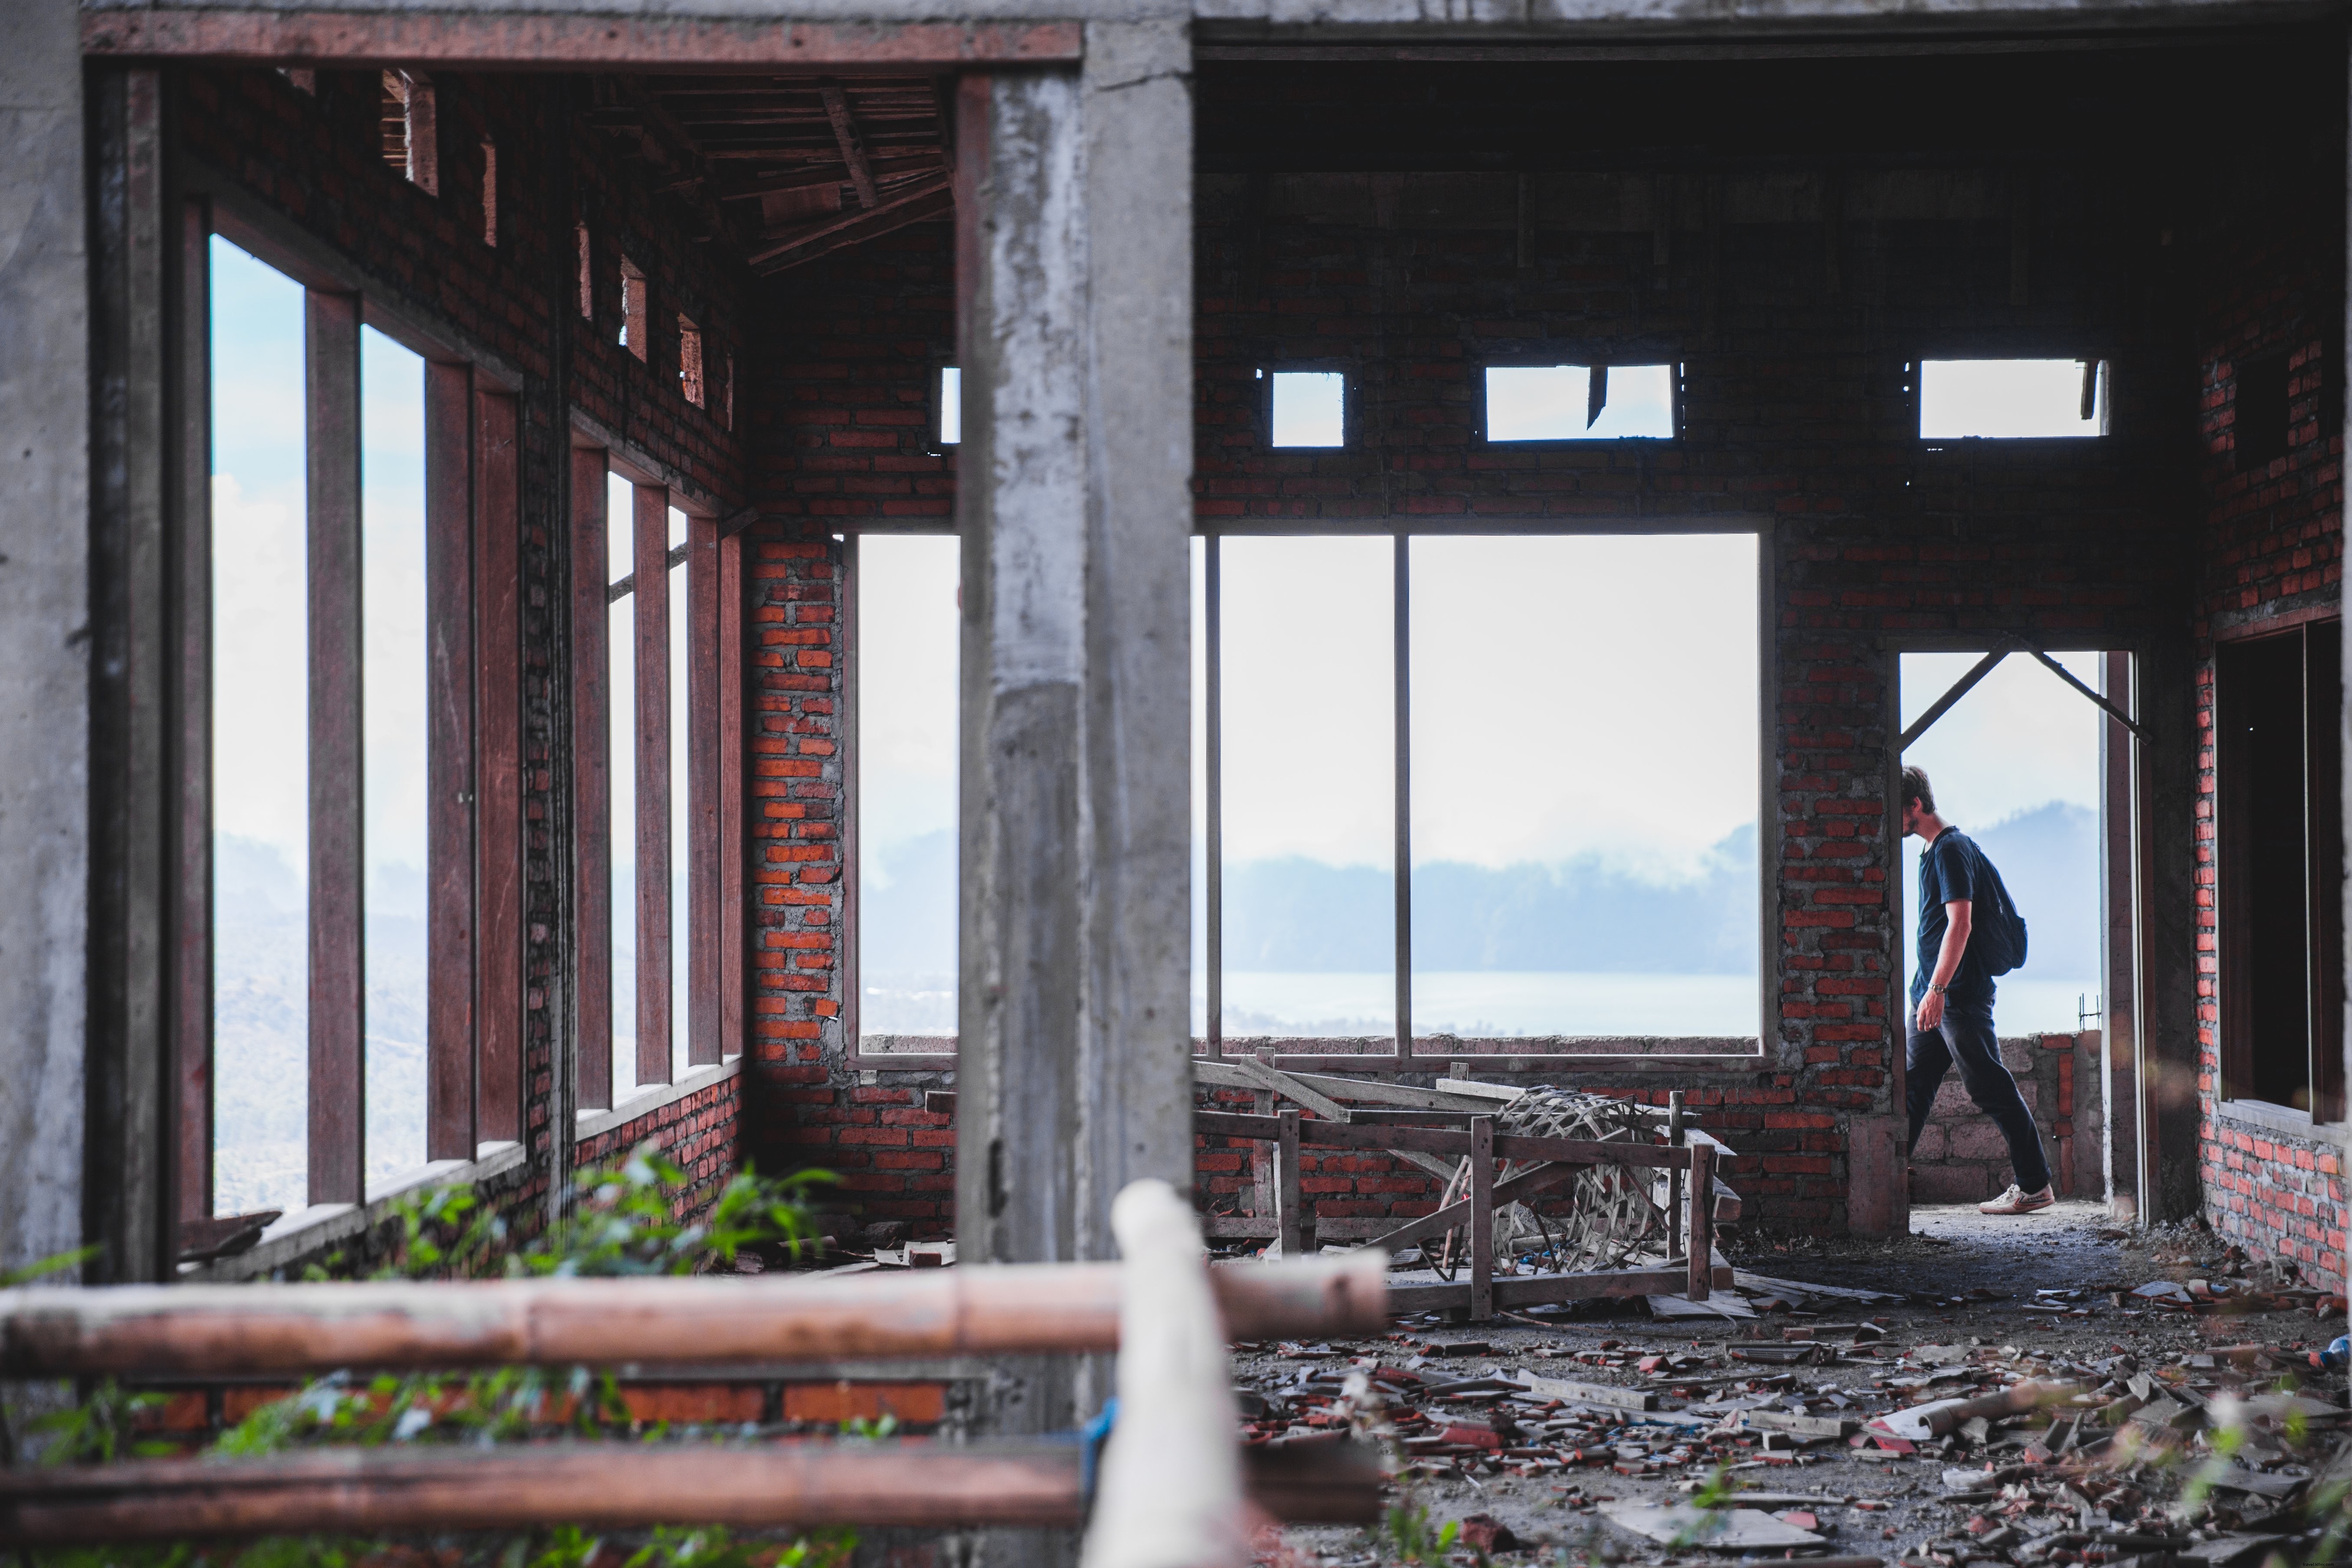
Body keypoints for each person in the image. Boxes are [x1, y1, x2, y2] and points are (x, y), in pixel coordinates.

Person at [1901, 763, 2055, 1216]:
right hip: (1933, 997)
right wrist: (1926, 992)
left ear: (1914, 805)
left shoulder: (1950, 849)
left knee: (1989, 1086)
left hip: (1956, 997)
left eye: (1890, 811)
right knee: (1913, 1087)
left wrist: (1937, 989)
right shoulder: (1932, 851)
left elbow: (1960, 923)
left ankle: (2033, 1184)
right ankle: (1888, 1180)